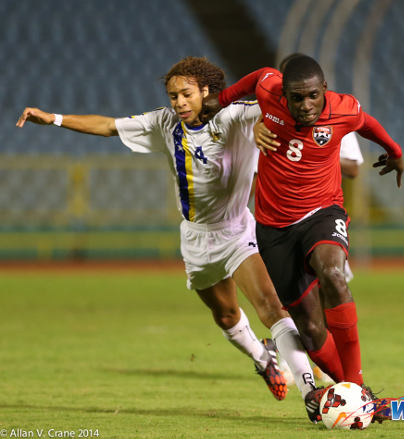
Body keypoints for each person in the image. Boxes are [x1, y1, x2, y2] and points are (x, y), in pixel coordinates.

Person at [16, 56, 321, 418]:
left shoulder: (235, 114)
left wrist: (262, 124)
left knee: (271, 307)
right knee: (225, 316)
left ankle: (311, 394)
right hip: (195, 239)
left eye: (186, 94)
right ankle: (262, 357)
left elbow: (282, 106)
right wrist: (54, 118)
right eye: (173, 95)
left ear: (205, 91)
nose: (178, 102)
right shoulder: (164, 122)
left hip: (238, 230)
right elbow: (109, 126)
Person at [201, 54, 404, 422]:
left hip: (322, 213)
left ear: (324, 89)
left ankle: (357, 389)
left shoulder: (343, 108)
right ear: (285, 94)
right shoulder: (268, 87)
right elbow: (244, 87)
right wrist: (223, 101)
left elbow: (367, 123)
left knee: (333, 275)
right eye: (297, 98)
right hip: (274, 229)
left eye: (312, 96)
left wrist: (395, 151)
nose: (305, 105)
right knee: (309, 328)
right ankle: (358, 394)